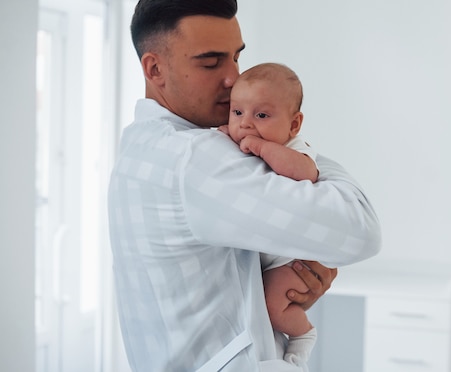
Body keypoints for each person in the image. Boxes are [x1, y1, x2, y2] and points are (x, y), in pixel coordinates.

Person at [107, 1, 381, 371]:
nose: (234, 78)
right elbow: (360, 228)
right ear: (155, 68)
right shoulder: (194, 157)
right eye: (210, 62)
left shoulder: (139, 147)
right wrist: (294, 148)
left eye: (236, 57)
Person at [218, 62, 320, 362]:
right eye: (238, 113)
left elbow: (306, 173)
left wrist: (263, 148)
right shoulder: (236, 142)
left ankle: (303, 334)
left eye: (261, 115)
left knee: (274, 308)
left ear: (294, 124)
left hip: (290, 260)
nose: (246, 124)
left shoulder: (295, 148)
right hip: (264, 258)